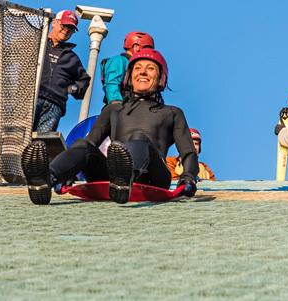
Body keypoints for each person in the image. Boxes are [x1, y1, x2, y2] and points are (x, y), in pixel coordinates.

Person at [22, 48, 199, 205]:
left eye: (150, 69)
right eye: (137, 68)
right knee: (84, 145)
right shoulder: (114, 109)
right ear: (129, 77)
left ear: (161, 78)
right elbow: (89, 145)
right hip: (112, 175)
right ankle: (46, 179)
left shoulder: (172, 112)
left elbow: (188, 152)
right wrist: (69, 172)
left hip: (153, 176)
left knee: (138, 139)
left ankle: (125, 178)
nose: (142, 72)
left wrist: (188, 179)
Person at [34, 10, 91, 133]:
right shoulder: (37, 43)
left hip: (54, 105)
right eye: (64, 25)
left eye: (70, 28)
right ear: (54, 23)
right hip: (30, 98)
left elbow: (84, 80)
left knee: (40, 144)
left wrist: (73, 88)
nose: (66, 30)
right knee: (19, 137)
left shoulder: (72, 58)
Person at [100, 31, 154, 105]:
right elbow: (112, 83)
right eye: (147, 48)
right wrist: (115, 104)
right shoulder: (119, 60)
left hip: (136, 108)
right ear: (136, 47)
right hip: (121, 108)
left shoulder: (137, 66)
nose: (149, 53)